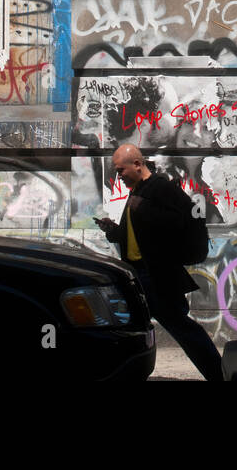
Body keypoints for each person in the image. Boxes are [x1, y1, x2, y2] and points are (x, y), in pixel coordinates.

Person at [95, 143, 224, 382]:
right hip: (137, 275)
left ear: (137, 164)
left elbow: (182, 220)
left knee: (181, 327)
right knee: (131, 329)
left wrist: (144, 208)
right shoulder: (136, 191)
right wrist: (113, 230)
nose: (118, 176)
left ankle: (218, 374)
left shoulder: (160, 187)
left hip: (156, 276)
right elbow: (135, 234)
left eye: (120, 170)